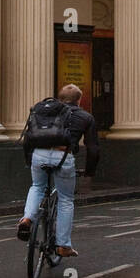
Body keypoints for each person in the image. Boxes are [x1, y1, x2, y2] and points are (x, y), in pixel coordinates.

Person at [17, 84, 99, 257]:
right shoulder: (85, 116)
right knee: (66, 199)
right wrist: (90, 172)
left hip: (38, 155)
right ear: (79, 99)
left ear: (59, 98)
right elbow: (93, 149)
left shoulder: (43, 111)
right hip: (63, 156)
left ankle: (27, 218)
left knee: (37, 187)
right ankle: (63, 245)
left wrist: (28, 161)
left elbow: (28, 137)